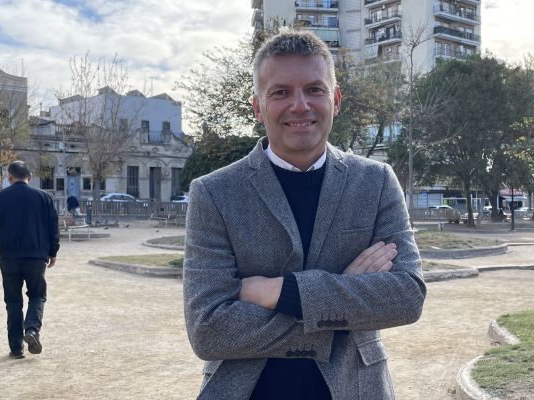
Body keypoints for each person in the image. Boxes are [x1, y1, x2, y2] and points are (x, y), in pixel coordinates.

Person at [183, 31, 426, 400]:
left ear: (336, 99)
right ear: (258, 107)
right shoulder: (214, 193)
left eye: (314, 89)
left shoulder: (376, 181)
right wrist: (343, 293)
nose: (299, 105)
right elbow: (208, 330)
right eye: (280, 92)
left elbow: (406, 297)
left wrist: (278, 292)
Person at [0, 160, 60, 359]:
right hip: (36, 256)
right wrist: (53, 252)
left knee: (13, 301)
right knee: (37, 295)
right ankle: (32, 329)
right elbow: (53, 227)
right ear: (30, 177)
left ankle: (16, 349)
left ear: (9, 177)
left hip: (9, 257)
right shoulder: (44, 197)